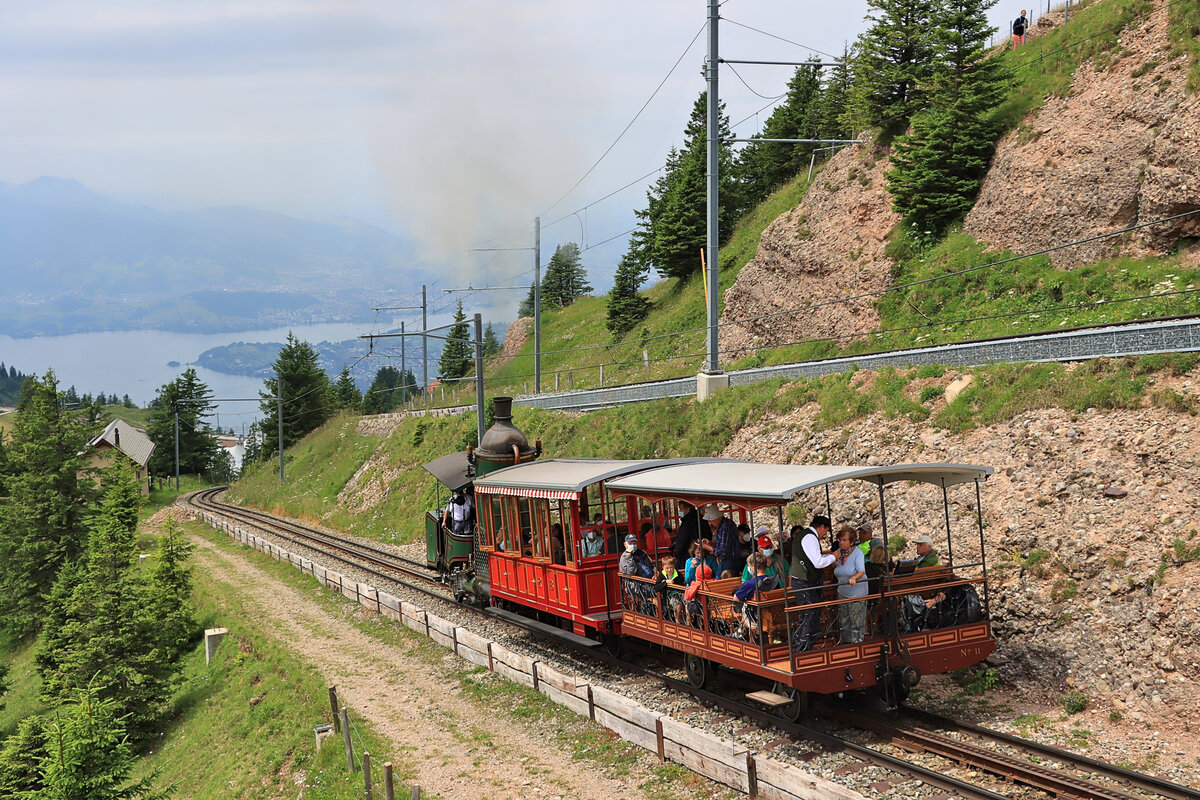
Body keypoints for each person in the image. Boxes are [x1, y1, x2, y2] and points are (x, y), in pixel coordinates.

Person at [790, 515, 836, 651]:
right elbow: (818, 562)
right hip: (804, 582)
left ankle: (806, 645)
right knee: (808, 614)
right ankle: (803, 649)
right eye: (826, 531)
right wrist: (834, 556)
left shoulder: (805, 536)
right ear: (821, 527)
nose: (825, 535)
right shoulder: (810, 537)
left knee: (809, 614)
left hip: (803, 581)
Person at [833, 526, 868, 644]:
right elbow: (839, 569)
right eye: (840, 540)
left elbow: (861, 571)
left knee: (856, 619)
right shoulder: (839, 553)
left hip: (856, 592)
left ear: (852, 542)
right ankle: (847, 643)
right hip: (843, 591)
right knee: (844, 620)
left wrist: (854, 578)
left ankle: (857, 644)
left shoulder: (858, 553)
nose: (841, 543)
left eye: (844, 540)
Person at [710, 506, 741, 578]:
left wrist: (708, 547)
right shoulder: (726, 524)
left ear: (715, 518)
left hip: (729, 561)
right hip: (732, 560)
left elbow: (723, 551)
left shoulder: (725, 526)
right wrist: (711, 544)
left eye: (710, 520)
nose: (710, 523)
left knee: (720, 582)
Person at [671, 501, 700, 571]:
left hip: (686, 557)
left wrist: (677, 553)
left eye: (681, 509)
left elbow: (681, 543)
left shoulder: (686, 524)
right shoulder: (701, 519)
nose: (680, 511)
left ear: (687, 510)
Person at [655, 555, 685, 622]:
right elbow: (657, 587)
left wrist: (673, 584)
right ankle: (678, 622)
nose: (669, 570)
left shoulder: (678, 574)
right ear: (663, 567)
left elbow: (681, 585)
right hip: (669, 596)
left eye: (671, 567)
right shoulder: (662, 575)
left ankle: (689, 622)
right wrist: (665, 583)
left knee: (688, 602)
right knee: (678, 606)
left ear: (674, 566)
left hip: (679, 593)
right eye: (667, 568)